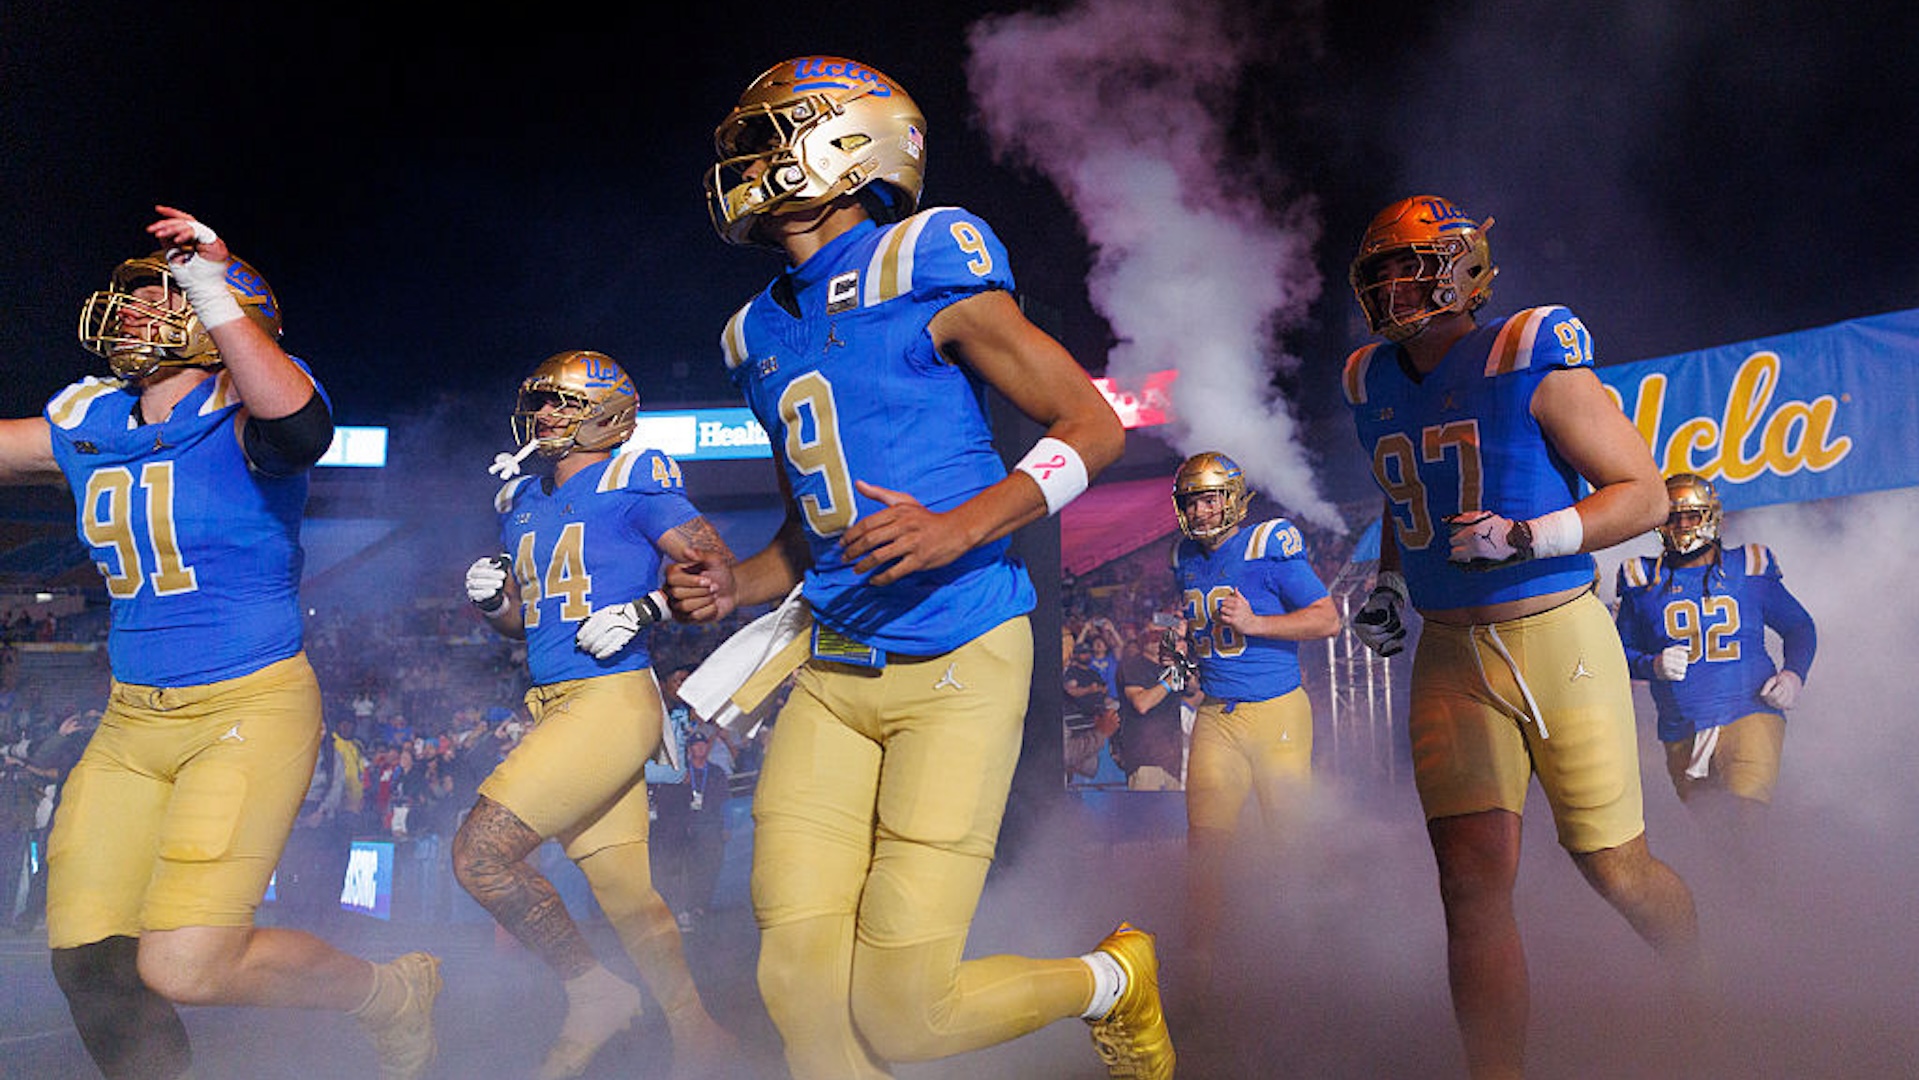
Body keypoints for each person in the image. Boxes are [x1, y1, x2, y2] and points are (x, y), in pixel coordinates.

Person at [669, 55, 1168, 1080]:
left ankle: (1113, 980)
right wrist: (736, 585)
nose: (744, 159)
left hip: (955, 657)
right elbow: (810, 534)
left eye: (771, 133)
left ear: (850, 145)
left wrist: (963, 525)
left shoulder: (921, 257)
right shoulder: (755, 328)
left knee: (904, 1015)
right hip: (835, 667)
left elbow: (1091, 427)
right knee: (794, 986)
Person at [0, 207, 440, 1080]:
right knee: (88, 958)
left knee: (183, 964)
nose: (130, 311)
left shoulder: (244, 411)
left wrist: (213, 281)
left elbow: (301, 430)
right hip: (131, 723)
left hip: (246, 706)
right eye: (129, 299)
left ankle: (388, 992)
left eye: (159, 297)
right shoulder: (91, 421)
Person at [1340, 195, 1702, 1079]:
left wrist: (1532, 535)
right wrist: (1390, 578)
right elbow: (1407, 491)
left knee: (1614, 869)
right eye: (1380, 269)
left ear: (1463, 267)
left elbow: (1644, 493)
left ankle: (1705, 984)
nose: (1392, 285)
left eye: (1410, 264)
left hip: (1556, 639)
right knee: (1467, 888)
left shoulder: (1527, 347)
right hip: (1448, 656)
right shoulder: (1368, 377)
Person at [458, 350, 741, 1080]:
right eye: (541, 402)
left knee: (480, 854)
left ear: (609, 415)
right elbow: (529, 625)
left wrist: (643, 608)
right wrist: (496, 605)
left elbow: (712, 565)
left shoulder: (633, 476)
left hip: (610, 695)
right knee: (625, 895)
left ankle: (594, 994)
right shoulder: (523, 498)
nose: (545, 415)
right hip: (558, 696)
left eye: (562, 403)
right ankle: (699, 1035)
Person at [1167, 451, 1341, 989]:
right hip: (1217, 713)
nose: (1200, 510)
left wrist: (1255, 622)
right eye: (1193, 499)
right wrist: (1181, 645)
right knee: (1205, 848)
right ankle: (1200, 970)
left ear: (1235, 498)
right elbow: (1205, 634)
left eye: (1210, 497)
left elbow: (1328, 619)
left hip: (1276, 712)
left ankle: (1309, 960)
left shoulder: (1270, 545)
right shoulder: (1184, 557)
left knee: (1290, 844)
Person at [1613, 473, 1817, 848]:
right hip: (1681, 727)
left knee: (1747, 822)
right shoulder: (1641, 579)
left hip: (1749, 712)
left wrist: (1793, 674)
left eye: (1691, 515)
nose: (1682, 525)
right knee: (1719, 842)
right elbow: (1617, 655)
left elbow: (1799, 626)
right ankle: (1744, 904)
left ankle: (1769, 902)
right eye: (1673, 517)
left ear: (1711, 516)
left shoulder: (1748, 568)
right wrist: (1651, 665)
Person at [1115, 627, 1200, 791]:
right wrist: (1172, 678)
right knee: (1147, 814)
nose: (1157, 639)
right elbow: (1142, 704)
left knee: (1170, 815)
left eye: (1163, 636)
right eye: (1151, 635)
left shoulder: (1170, 666)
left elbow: (1194, 690)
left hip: (1172, 762)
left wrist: (1183, 664)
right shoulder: (1133, 666)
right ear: (1142, 640)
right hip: (1145, 760)